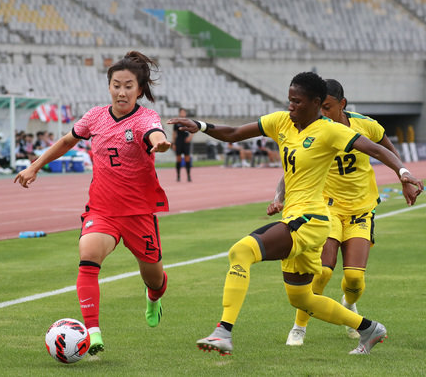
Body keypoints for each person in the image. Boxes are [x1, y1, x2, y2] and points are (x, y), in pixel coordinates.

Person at [167, 72, 423, 355]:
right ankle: (369, 329)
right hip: (296, 217)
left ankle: (223, 331)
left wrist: (403, 173)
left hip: (310, 220)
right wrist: (201, 125)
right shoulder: (281, 121)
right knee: (303, 298)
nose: (290, 107)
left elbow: (374, 148)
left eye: (297, 102)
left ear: (315, 103)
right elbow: (234, 134)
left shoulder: (330, 130)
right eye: (289, 100)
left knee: (241, 252)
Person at [15, 51, 171, 356]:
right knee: (87, 256)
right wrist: (34, 166)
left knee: (155, 278)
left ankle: (153, 298)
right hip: (102, 210)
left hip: (139, 214)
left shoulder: (146, 118)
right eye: (116, 85)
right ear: (109, 86)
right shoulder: (95, 116)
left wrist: (158, 142)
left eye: (128, 86)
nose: (122, 91)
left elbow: (154, 133)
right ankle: (92, 332)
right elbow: (66, 142)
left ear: (139, 90)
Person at [266, 79, 417, 346]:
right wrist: (279, 197)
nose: (322, 113)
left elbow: (385, 150)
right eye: (320, 107)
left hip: (360, 209)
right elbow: (295, 169)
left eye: (328, 107)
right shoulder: (314, 129)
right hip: (328, 209)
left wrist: (403, 176)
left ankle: (348, 303)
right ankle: (298, 328)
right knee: (322, 272)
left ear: (342, 105)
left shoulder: (366, 125)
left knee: (355, 279)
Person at [172, 108, 193, 181]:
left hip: (186, 142)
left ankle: (188, 176)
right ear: (179, 113)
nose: (183, 113)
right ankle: (178, 176)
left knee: (187, 158)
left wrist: (190, 137)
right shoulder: (176, 122)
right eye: (182, 112)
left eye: (184, 112)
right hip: (179, 142)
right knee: (178, 159)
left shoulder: (189, 122)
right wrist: (174, 143)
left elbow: (193, 130)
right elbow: (174, 133)